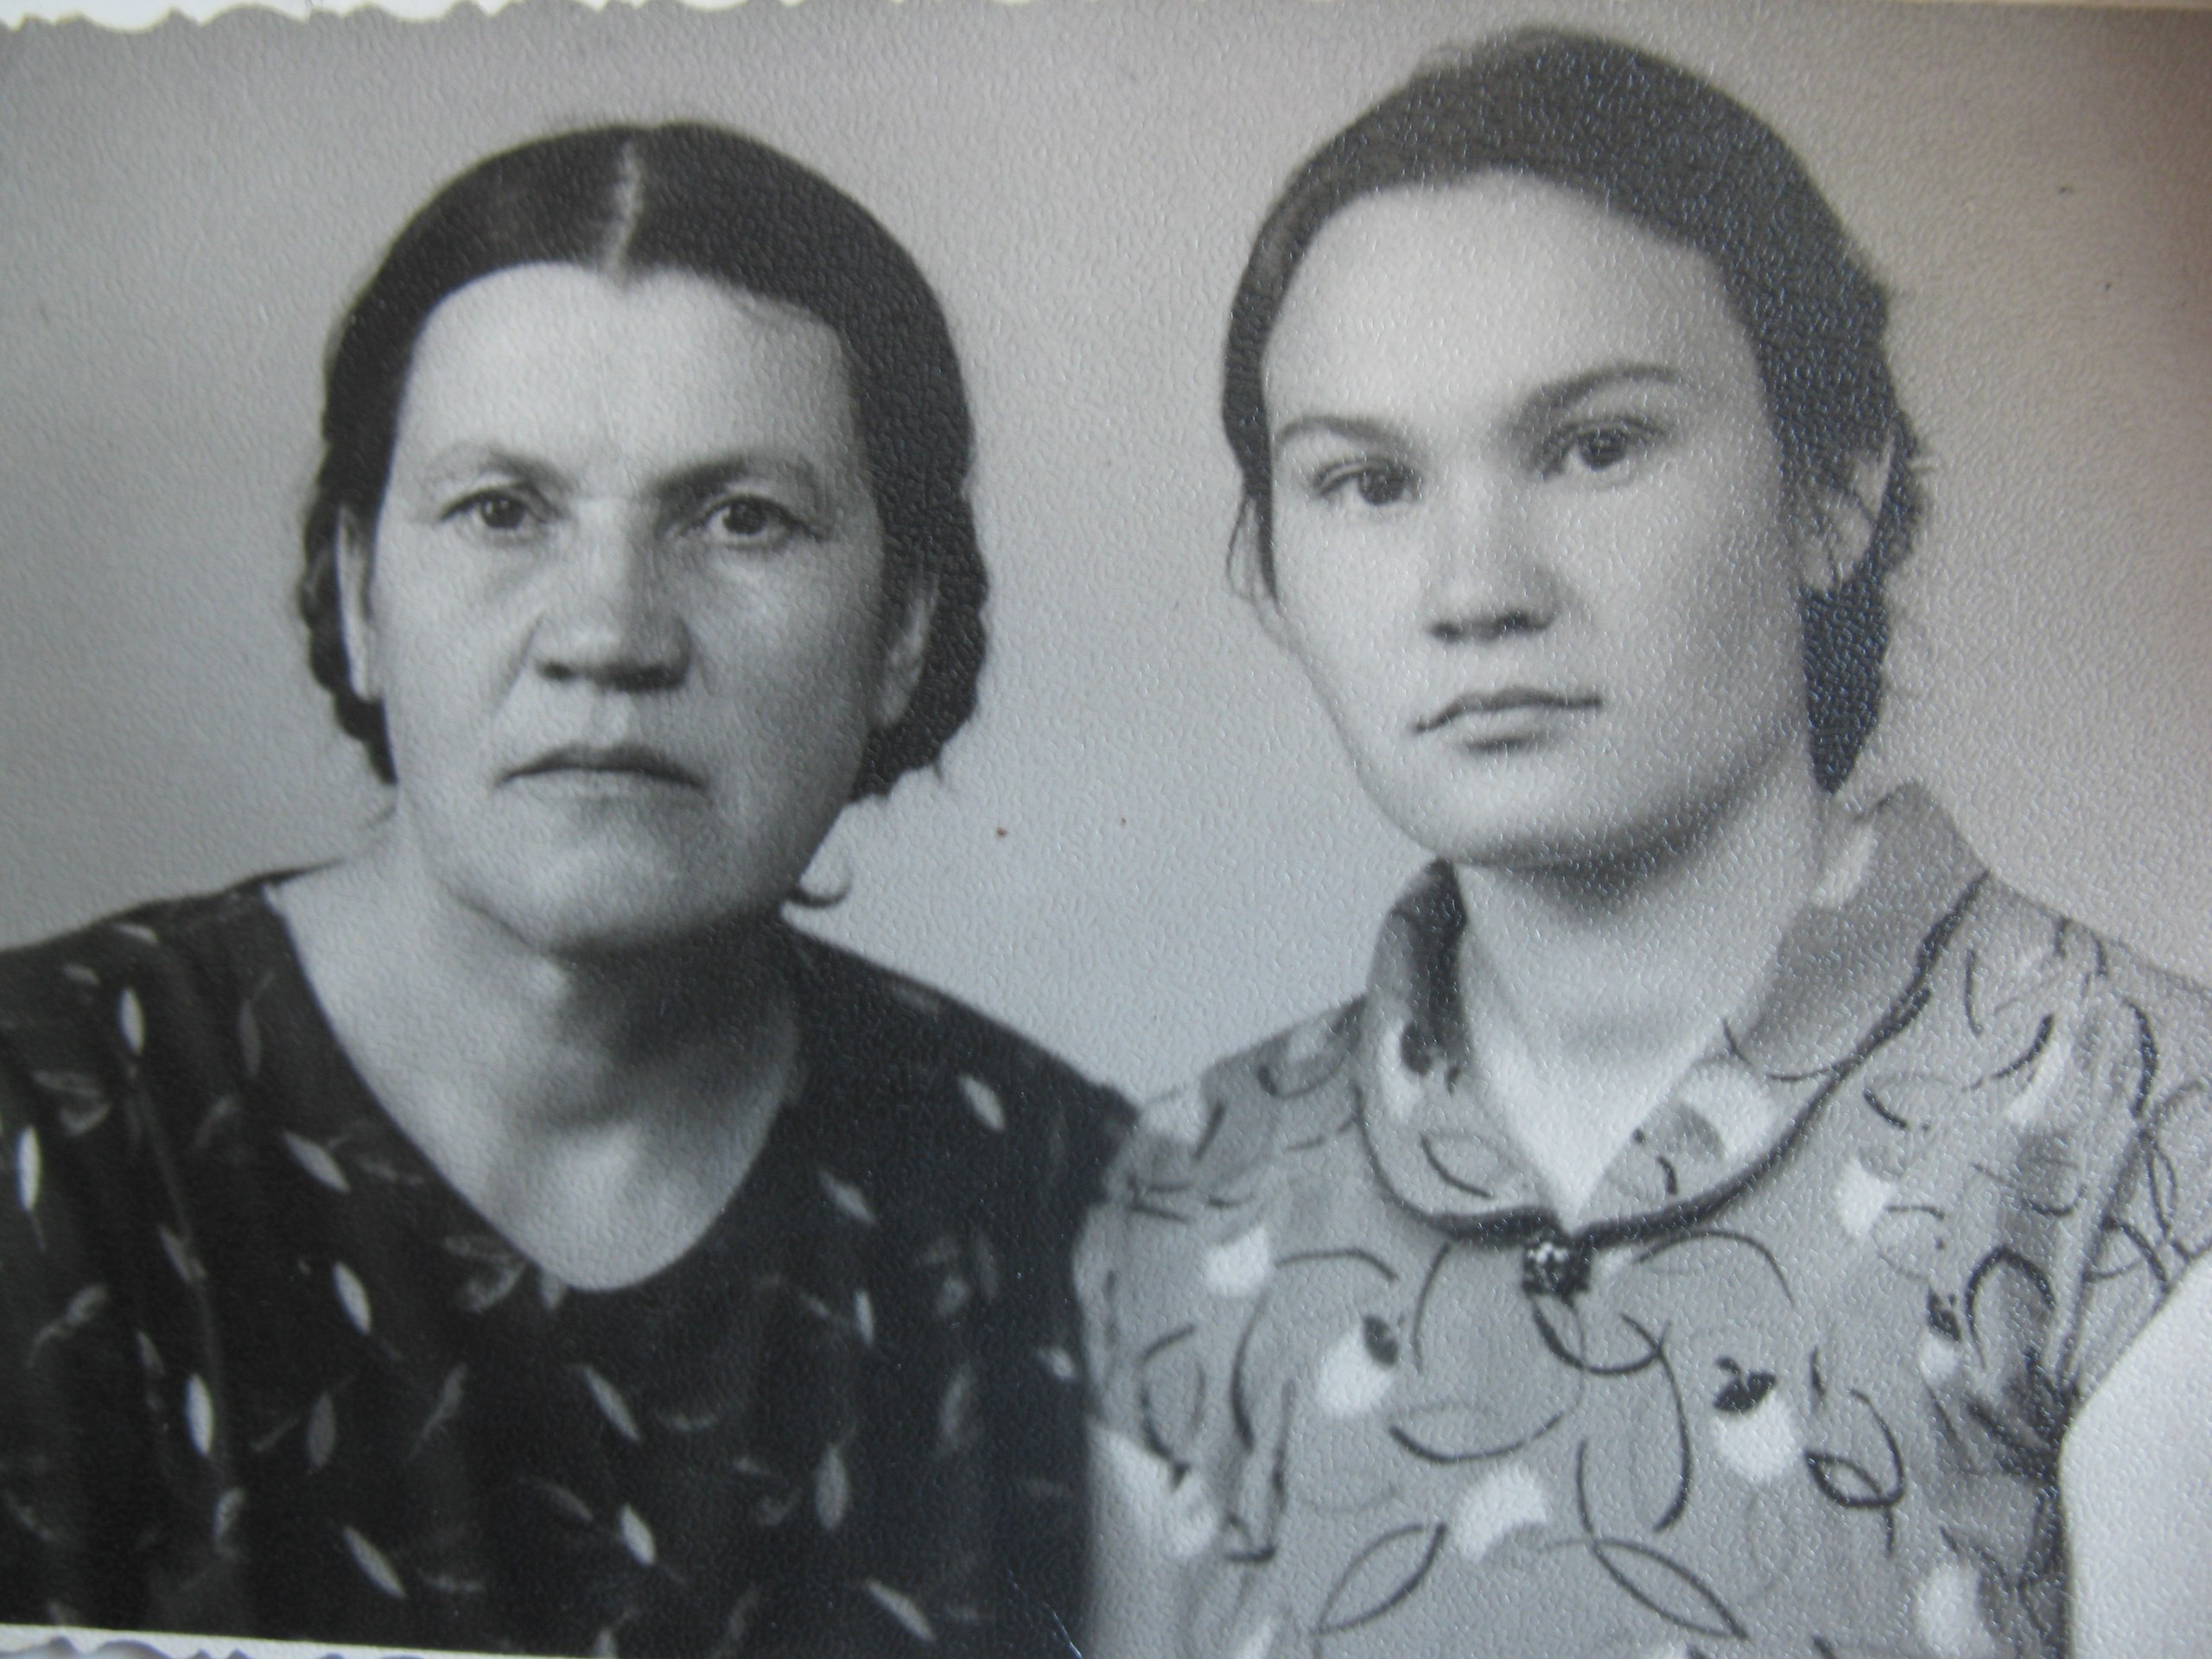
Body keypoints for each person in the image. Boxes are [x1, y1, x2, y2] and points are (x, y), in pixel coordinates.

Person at [1077, 30, 2212, 1659]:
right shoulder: (1192, 1198)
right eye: (1368, 483)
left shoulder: (2134, 1148)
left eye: (1595, 447)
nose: (1476, 589)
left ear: (1833, 490)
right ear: (1268, 567)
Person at [0, 123, 1125, 1657]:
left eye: (742, 518)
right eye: (502, 511)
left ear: (905, 632)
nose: (608, 634)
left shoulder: (1066, 1207)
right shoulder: (49, 1127)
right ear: (357, 595)